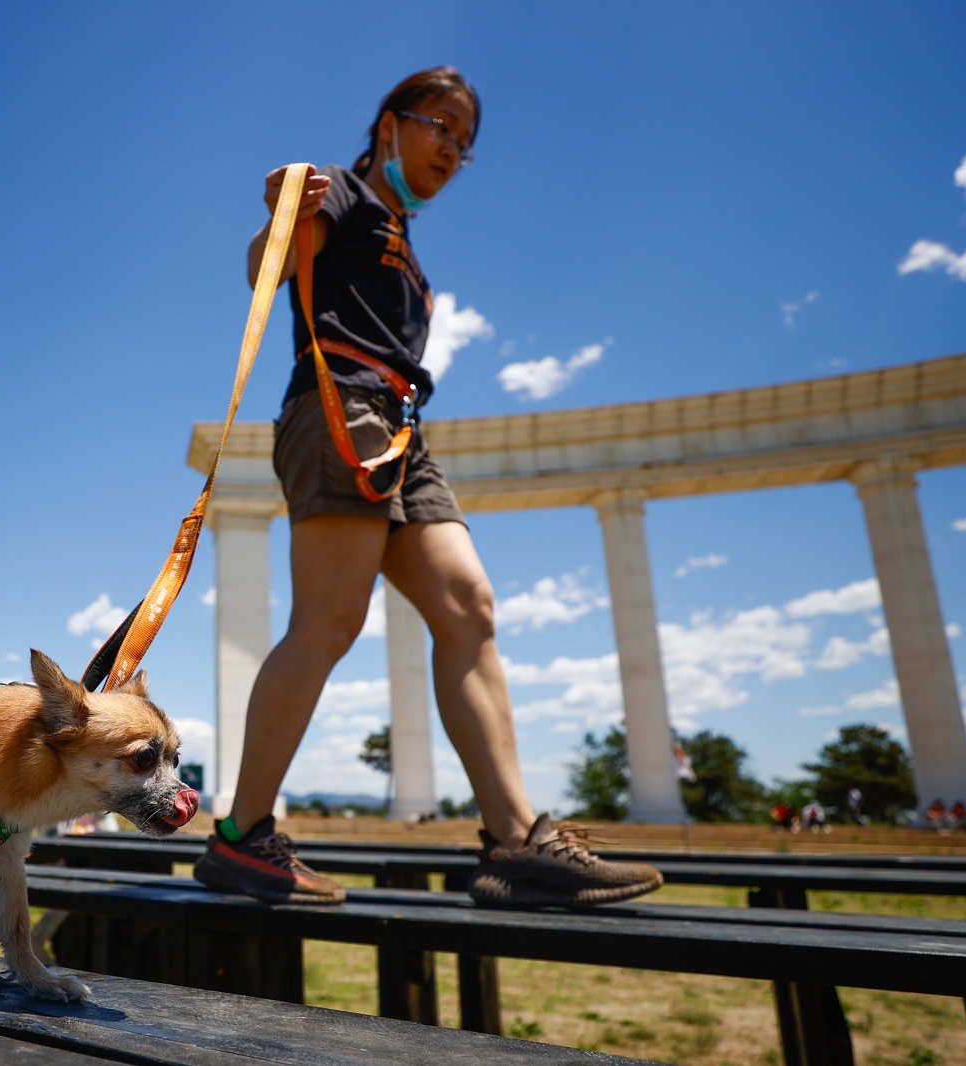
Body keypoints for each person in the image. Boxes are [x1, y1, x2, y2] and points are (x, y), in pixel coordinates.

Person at [191, 67, 663, 908]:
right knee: (330, 621)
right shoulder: (340, 192)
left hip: (406, 426)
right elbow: (270, 264)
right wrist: (282, 218)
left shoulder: (409, 248)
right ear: (389, 124)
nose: (450, 146)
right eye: (439, 124)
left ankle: (514, 842)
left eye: (463, 140)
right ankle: (242, 837)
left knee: (468, 607)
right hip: (341, 404)